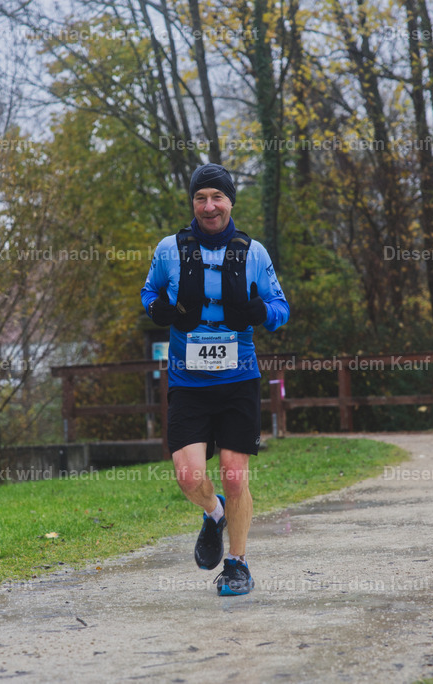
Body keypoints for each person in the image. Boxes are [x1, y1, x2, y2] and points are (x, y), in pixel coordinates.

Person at [140, 163, 289, 596]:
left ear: (230, 203)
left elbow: (281, 308)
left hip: (238, 380)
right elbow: (150, 292)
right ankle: (214, 513)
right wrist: (156, 309)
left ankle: (238, 564)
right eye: (201, 198)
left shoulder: (254, 253)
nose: (209, 207)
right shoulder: (170, 249)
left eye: (217, 198)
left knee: (234, 474)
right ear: (192, 203)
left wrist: (262, 313)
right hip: (188, 382)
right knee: (188, 476)